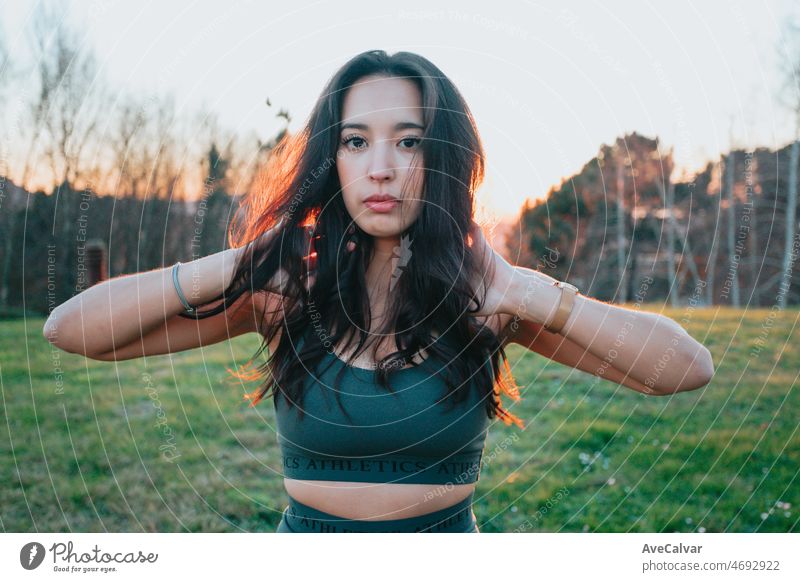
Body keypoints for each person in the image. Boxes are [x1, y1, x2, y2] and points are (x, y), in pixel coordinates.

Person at [44, 49, 714, 534]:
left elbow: (684, 370)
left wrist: (523, 290)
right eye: (356, 141)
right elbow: (71, 331)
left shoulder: (487, 300)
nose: (383, 168)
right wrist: (241, 262)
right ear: (330, 161)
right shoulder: (285, 295)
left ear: (443, 156)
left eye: (410, 141)